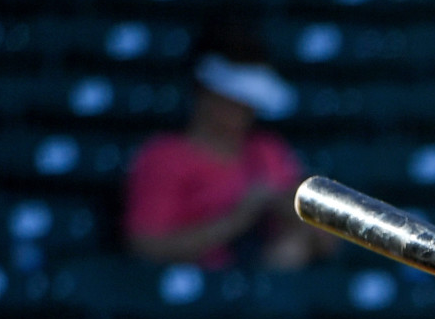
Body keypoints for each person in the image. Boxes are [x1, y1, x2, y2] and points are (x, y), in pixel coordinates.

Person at [123, 26, 338, 273]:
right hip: (194, 291)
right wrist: (237, 218)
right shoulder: (164, 156)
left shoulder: (267, 150)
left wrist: (291, 212)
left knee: (292, 248)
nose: (242, 111)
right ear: (206, 92)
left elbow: (325, 243)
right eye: (233, 99)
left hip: (261, 291)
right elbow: (145, 246)